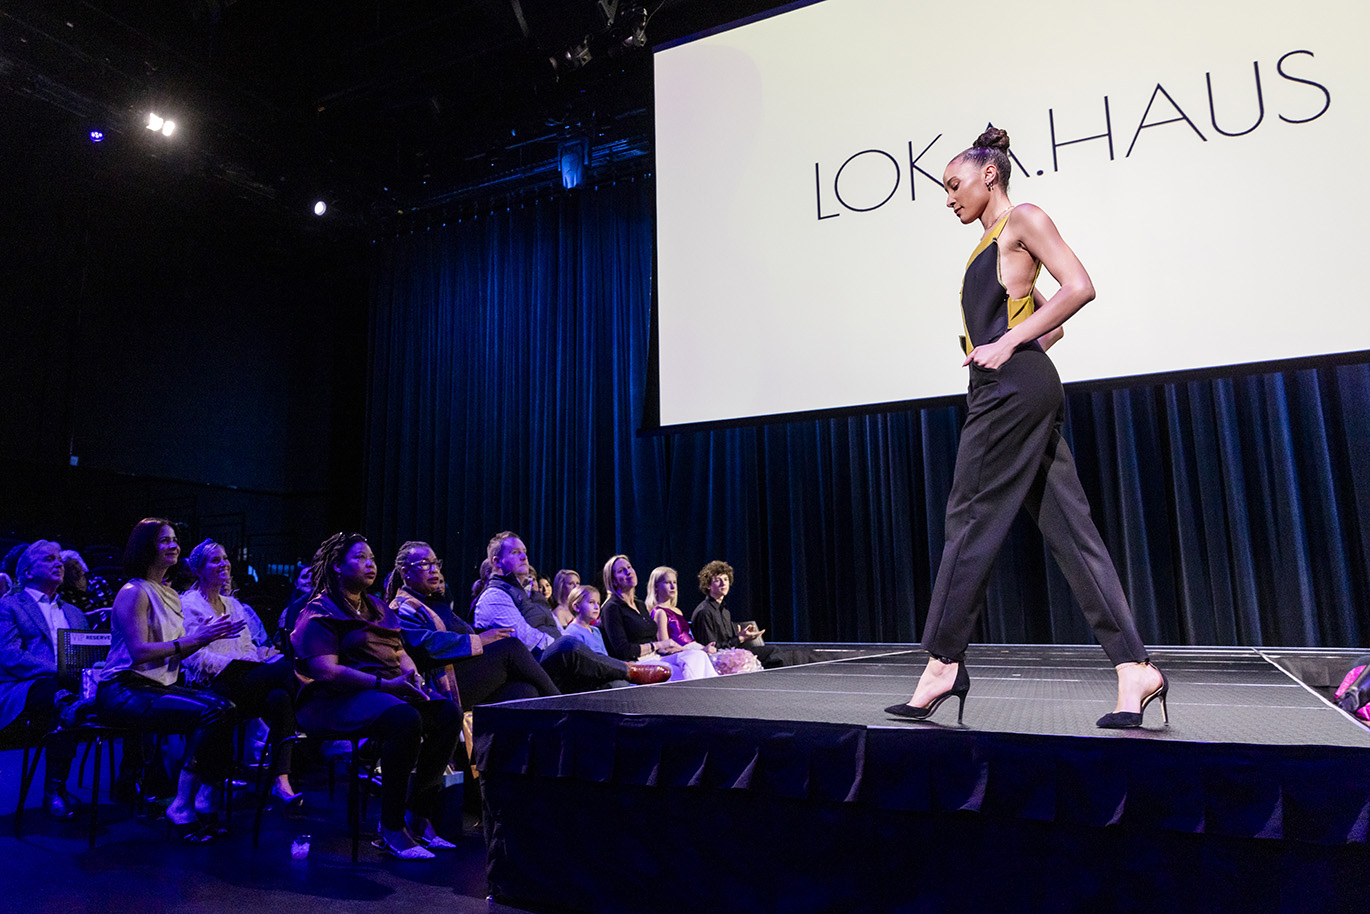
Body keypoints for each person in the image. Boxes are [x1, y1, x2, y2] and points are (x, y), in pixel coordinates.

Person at [887, 128, 1166, 728]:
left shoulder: (1024, 219)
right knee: (1072, 531)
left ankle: (942, 662)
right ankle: (1134, 668)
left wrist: (1007, 344)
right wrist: (1020, 339)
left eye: (953, 184)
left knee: (968, 518)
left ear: (989, 175)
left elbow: (1080, 287)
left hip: (1011, 388)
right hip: (1018, 384)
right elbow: (1052, 322)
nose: (947, 198)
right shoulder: (990, 242)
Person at [291, 533, 463, 859]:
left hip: (383, 692)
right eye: (360, 558)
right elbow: (327, 671)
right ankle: (392, 827)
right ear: (338, 566)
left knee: (447, 714)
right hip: (331, 700)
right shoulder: (319, 610)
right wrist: (385, 686)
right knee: (404, 718)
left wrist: (410, 671)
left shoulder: (377, 607)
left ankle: (419, 814)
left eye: (372, 557)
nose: (370, 564)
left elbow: (398, 651)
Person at [93, 519, 242, 841]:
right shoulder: (135, 591)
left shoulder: (170, 594)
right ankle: (184, 802)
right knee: (213, 710)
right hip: (123, 688)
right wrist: (195, 639)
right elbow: (139, 652)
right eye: (164, 541)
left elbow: (175, 653)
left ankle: (202, 796)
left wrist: (205, 639)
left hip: (158, 686)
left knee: (227, 706)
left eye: (175, 540)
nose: (173, 545)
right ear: (146, 547)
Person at [179, 539, 301, 805]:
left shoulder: (233, 605)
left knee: (280, 698)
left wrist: (245, 664)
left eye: (225, 558)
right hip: (208, 683)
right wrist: (234, 665)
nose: (223, 564)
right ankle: (319, 702)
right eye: (215, 560)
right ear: (199, 569)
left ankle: (281, 780)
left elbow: (249, 647)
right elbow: (192, 656)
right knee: (289, 672)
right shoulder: (188, 605)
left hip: (241, 678)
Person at [474, 533, 668, 691]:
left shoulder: (531, 595)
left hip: (554, 661)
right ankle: (630, 669)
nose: (524, 556)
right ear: (497, 561)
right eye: (516, 552)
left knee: (616, 686)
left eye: (524, 551)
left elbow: (555, 628)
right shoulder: (494, 596)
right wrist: (565, 647)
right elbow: (525, 640)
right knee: (568, 644)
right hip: (530, 666)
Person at [385, 540, 559, 707]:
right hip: (439, 684)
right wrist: (479, 640)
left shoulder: (435, 602)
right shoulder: (402, 607)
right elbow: (426, 645)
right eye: (424, 564)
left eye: (436, 563)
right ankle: (566, 708)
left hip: (462, 674)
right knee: (511, 647)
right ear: (405, 572)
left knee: (524, 692)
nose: (434, 570)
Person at [0, 540, 93, 817]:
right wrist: (58, 668)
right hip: (23, 686)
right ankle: (54, 790)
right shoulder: (9, 606)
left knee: (123, 689)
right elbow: (8, 656)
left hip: (69, 684)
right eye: (49, 559)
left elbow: (88, 655)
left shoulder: (75, 613)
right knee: (63, 695)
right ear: (27, 572)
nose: (58, 563)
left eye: (59, 559)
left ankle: (135, 777)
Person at [601, 555, 715, 681]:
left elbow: (655, 641)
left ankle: (711, 695)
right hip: (636, 664)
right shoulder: (611, 608)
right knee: (678, 672)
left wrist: (672, 648)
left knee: (697, 656)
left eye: (629, 567)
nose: (629, 571)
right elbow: (623, 650)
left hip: (656, 657)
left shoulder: (639, 604)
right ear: (613, 581)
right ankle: (696, 697)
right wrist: (658, 645)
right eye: (621, 570)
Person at [689, 561, 780, 669]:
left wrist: (743, 636)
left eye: (726, 579)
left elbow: (729, 642)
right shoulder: (704, 612)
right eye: (718, 580)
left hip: (731, 655)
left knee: (776, 651)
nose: (723, 583)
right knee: (773, 652)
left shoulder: (725, 611)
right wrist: (739, 639)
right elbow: (711, 648)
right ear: (708, 585)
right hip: (718, 660)